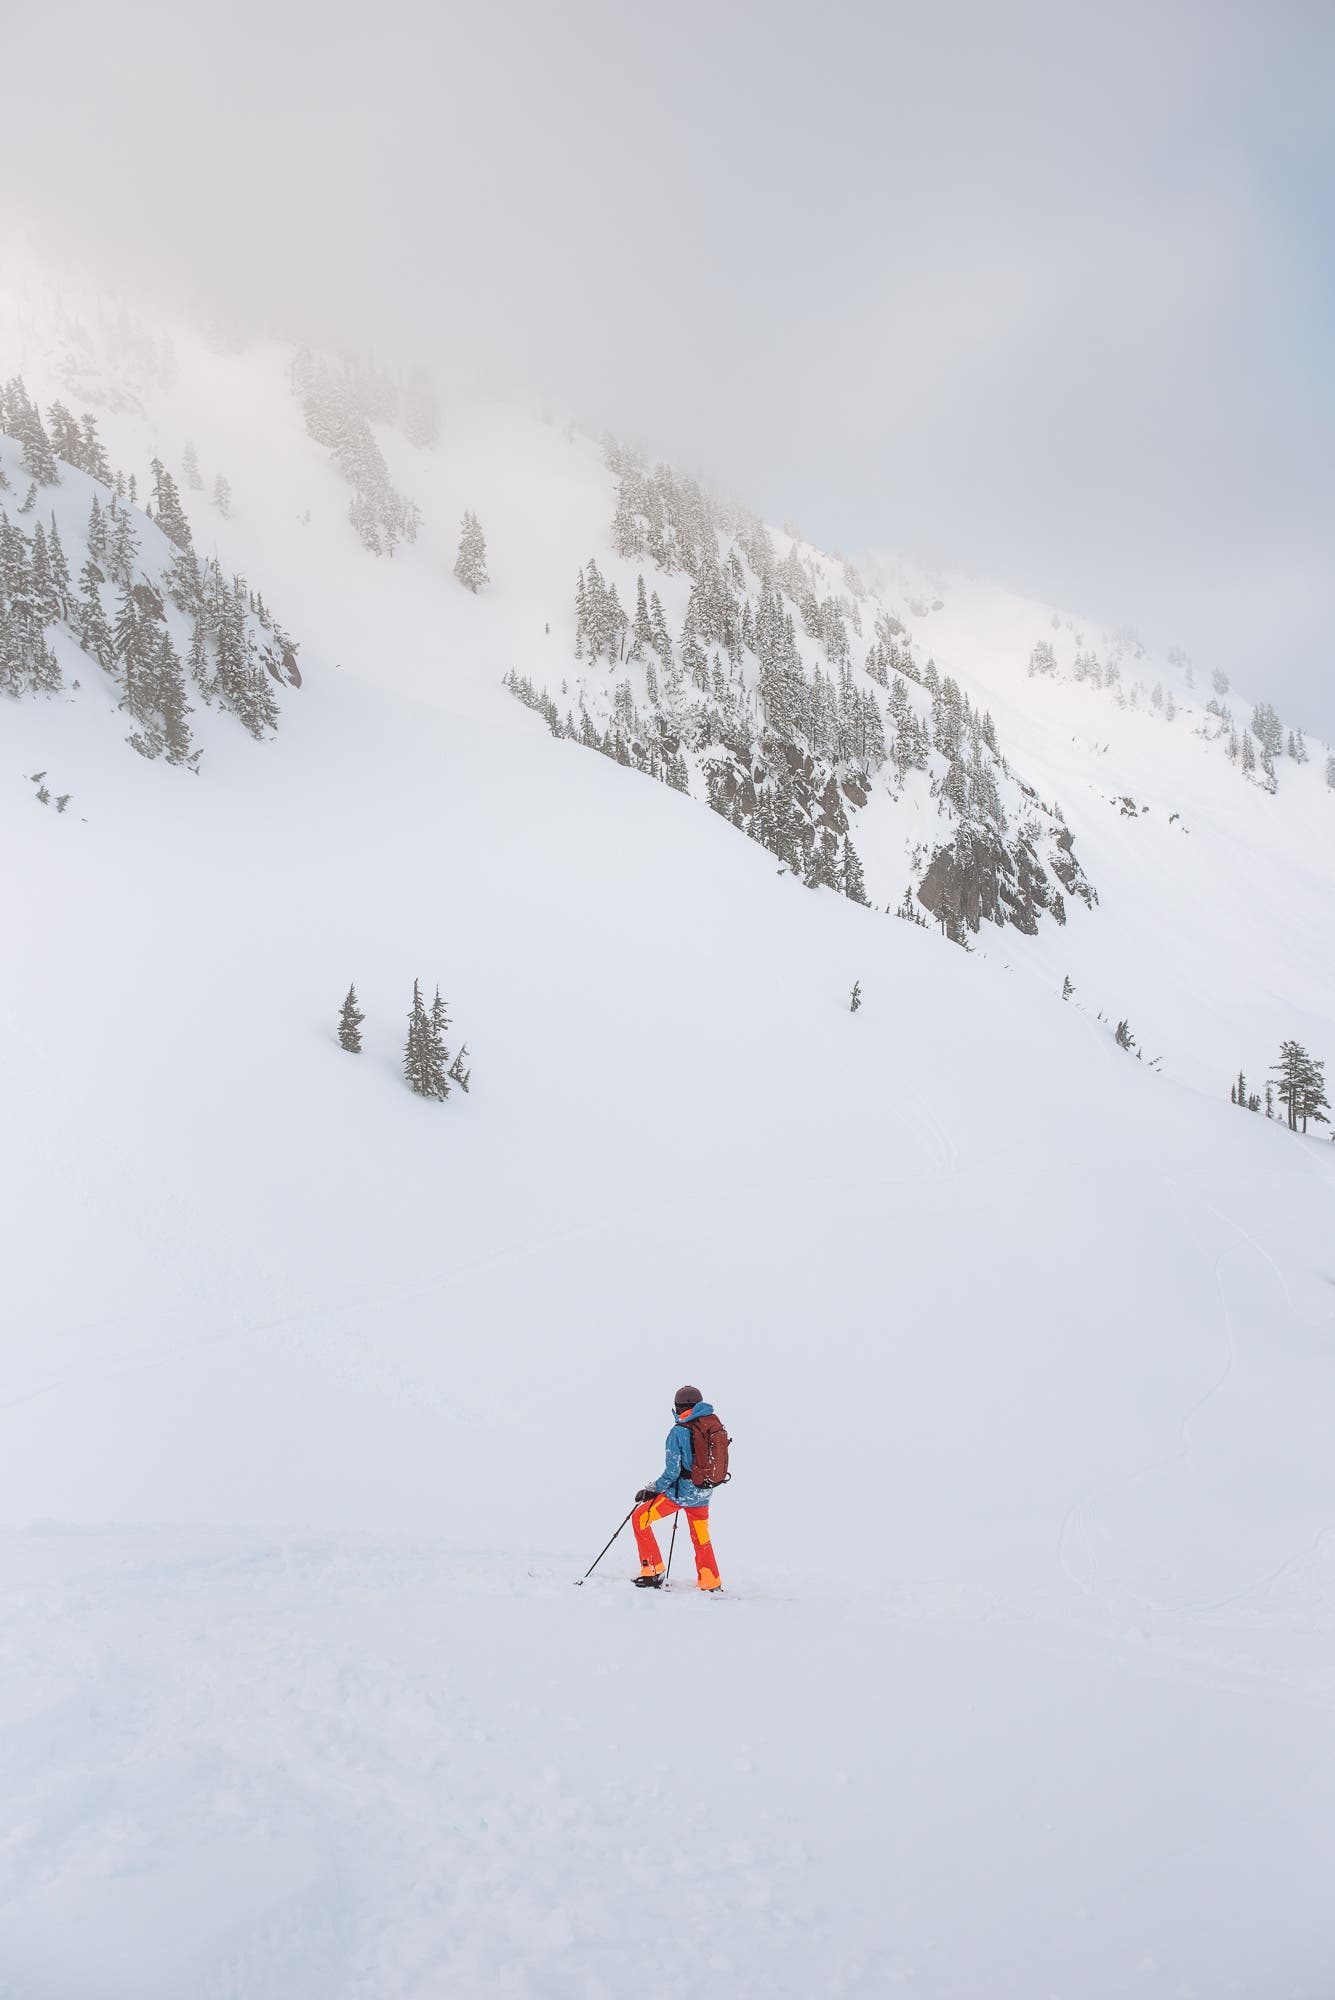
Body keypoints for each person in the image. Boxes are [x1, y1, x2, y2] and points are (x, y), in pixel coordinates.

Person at [632, 1384, 724, 1591]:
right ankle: (710, 1581)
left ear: (678, 1407)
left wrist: (652, 1489)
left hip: (680, 1495)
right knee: (701, 1536)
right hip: (703, 1493)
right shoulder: (710, 1424)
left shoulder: (678, 1431)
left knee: (640, 1519)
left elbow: (672, 1472)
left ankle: (652, 1571)